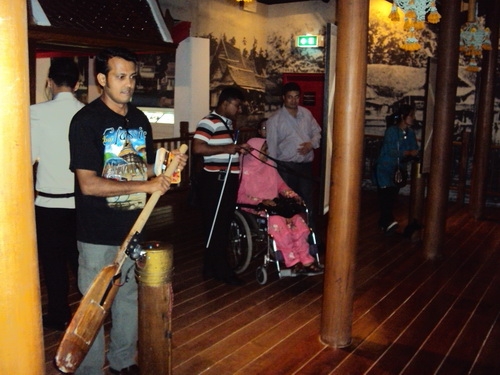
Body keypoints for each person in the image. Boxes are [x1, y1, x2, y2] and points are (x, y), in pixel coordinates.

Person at [68, 47, 187, 375]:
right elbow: (89, 184)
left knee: (128, 300)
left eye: (132, 77)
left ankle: (123, 363)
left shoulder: (139, 119)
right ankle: (89, 371)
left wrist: (164, 167)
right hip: (96, 232)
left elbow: (141, 168)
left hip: (134, 226)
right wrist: (145, 186)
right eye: (121, 76)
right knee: (95, 306)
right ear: (102, 79)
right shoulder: (86, 121)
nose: (129, 84)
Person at [31, 57, 85, 331]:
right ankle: (90, 315)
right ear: (77, 83)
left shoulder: (36, 112)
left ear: (50, 82)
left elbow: (27, 157)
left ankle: (58, 314)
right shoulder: (87, 113)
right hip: (81, 202)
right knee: (81, 262)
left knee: (52, 264)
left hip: (48, 203)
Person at [238, 138, 322, 274]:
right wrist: (260, 201)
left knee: (298, 221)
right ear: (253, 151)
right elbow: (239, 196)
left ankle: (306, 259)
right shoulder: (243, 171)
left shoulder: (270, 165)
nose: (267, 153)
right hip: (256, 209)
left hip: (275, 207)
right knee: (279, 223)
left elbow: (281, 185)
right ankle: (292, 261)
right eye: (264, 150)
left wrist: (293, 195)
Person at [192, 87, 249, 286]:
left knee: (220, 225)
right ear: (225, 103)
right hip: (216, 180)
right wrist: (227, 148)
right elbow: (198, 147)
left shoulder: (226, 123)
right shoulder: (209, 121)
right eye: (237, 105)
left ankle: (210, 267)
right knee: (218, 225)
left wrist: (237, 149)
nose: (238, 110)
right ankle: (223, 271)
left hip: (226, 180)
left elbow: (223, 150)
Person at [266, 82, 321, 228]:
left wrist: (311, 144)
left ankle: (310, 234)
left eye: (296, 97)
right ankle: (289, 235)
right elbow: (271, 149)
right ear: (284, 98)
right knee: (288, 202)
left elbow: (317, 132)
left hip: (305, 166)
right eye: (290, 97)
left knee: (308, 201)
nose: (293, 100)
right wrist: (273, 173)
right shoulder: (275, 120)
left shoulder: (306, 114)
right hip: (286, 167)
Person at [373, 104, 419, 233]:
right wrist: (408, 153)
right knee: (385, 196)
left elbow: (414, 147)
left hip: (398, 169)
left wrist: (410, 153)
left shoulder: (410, 133)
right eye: (411, 115)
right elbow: (391, 151)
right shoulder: (392, 131)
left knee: (392, 196)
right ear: (403, 117)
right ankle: (387, 221)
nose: (413, 118)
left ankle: (385, 222)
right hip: (385, 168)